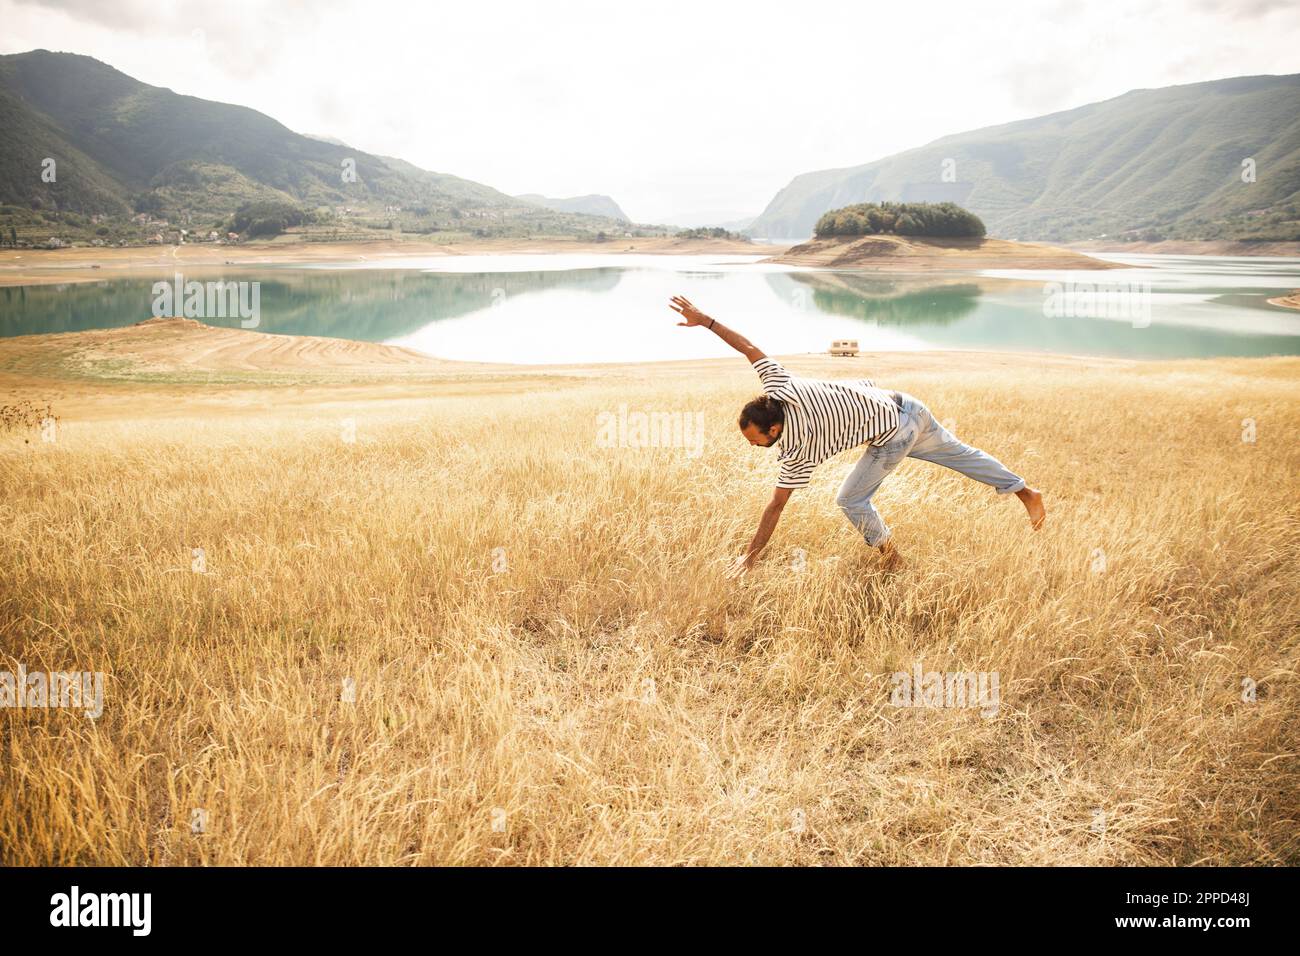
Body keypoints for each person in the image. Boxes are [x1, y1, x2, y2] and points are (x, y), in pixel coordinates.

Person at [669, 295, 1045, 576]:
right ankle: (1025, 492)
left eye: (755, 440)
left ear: (774, 428)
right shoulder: (781, 386)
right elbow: (748, 348)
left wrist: (750, 558)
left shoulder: (797, 450)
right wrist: (706, 321)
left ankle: (893, 561)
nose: (753, 447)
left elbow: (776, 506)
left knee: (850, 500)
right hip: (909, 404)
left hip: (895, 433)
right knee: (962, 455)